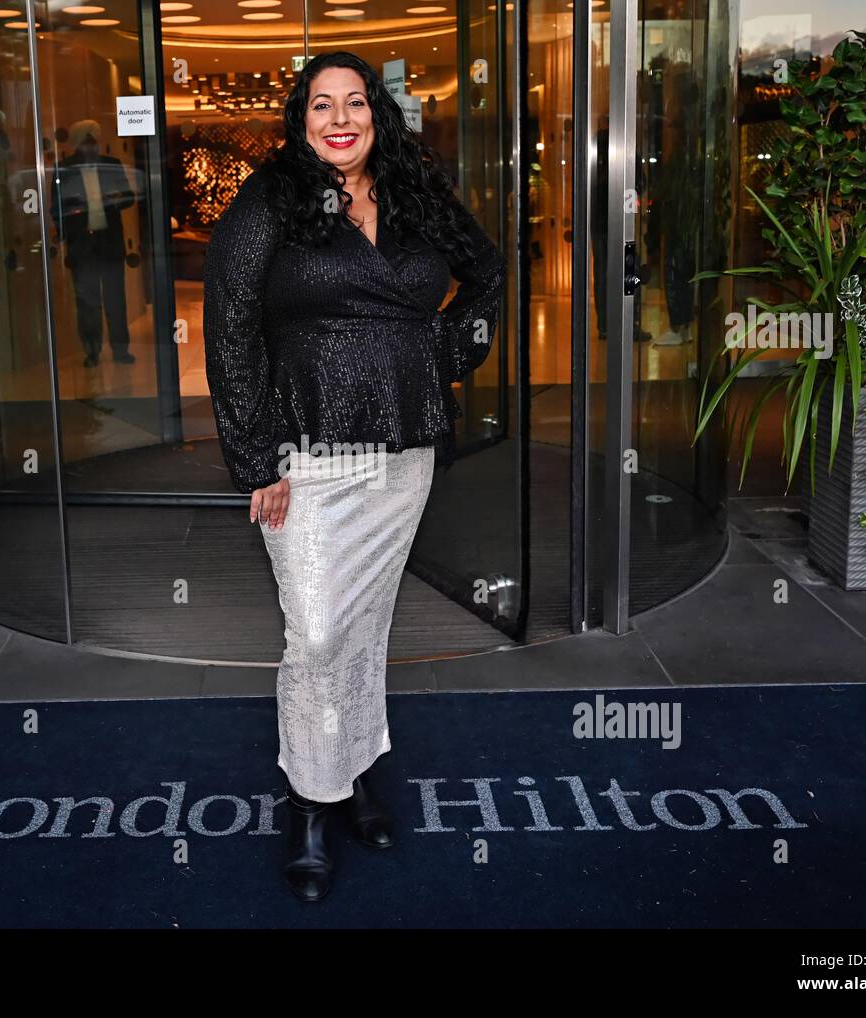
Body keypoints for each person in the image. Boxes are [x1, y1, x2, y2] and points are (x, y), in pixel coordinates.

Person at [203, 51, 506, 902]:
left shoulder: (415, 194)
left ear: (379, 113)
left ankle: (356, 769)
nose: (341, 119)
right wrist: (254, 459)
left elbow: (486, 274)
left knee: (366, 628)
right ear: (302, 120)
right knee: (318, 634)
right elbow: (226, 327)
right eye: (322, 105)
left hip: (401, 453)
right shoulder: (270, 202)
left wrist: (447, 347)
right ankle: (310, 800)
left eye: (356, 103)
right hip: (307, 460)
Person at [51, 119, 136, 367]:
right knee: (87, 303)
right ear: (78, 145)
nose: (92, 148)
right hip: (82, 246)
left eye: (94, 143)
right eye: (87, 144)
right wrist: (66, 234)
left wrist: (114, 200)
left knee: (115, 300)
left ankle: (121, 351)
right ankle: (92, 351)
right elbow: (56, 208)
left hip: (109, 243)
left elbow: (129, 198)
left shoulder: (112, 166)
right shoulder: (64, 170)